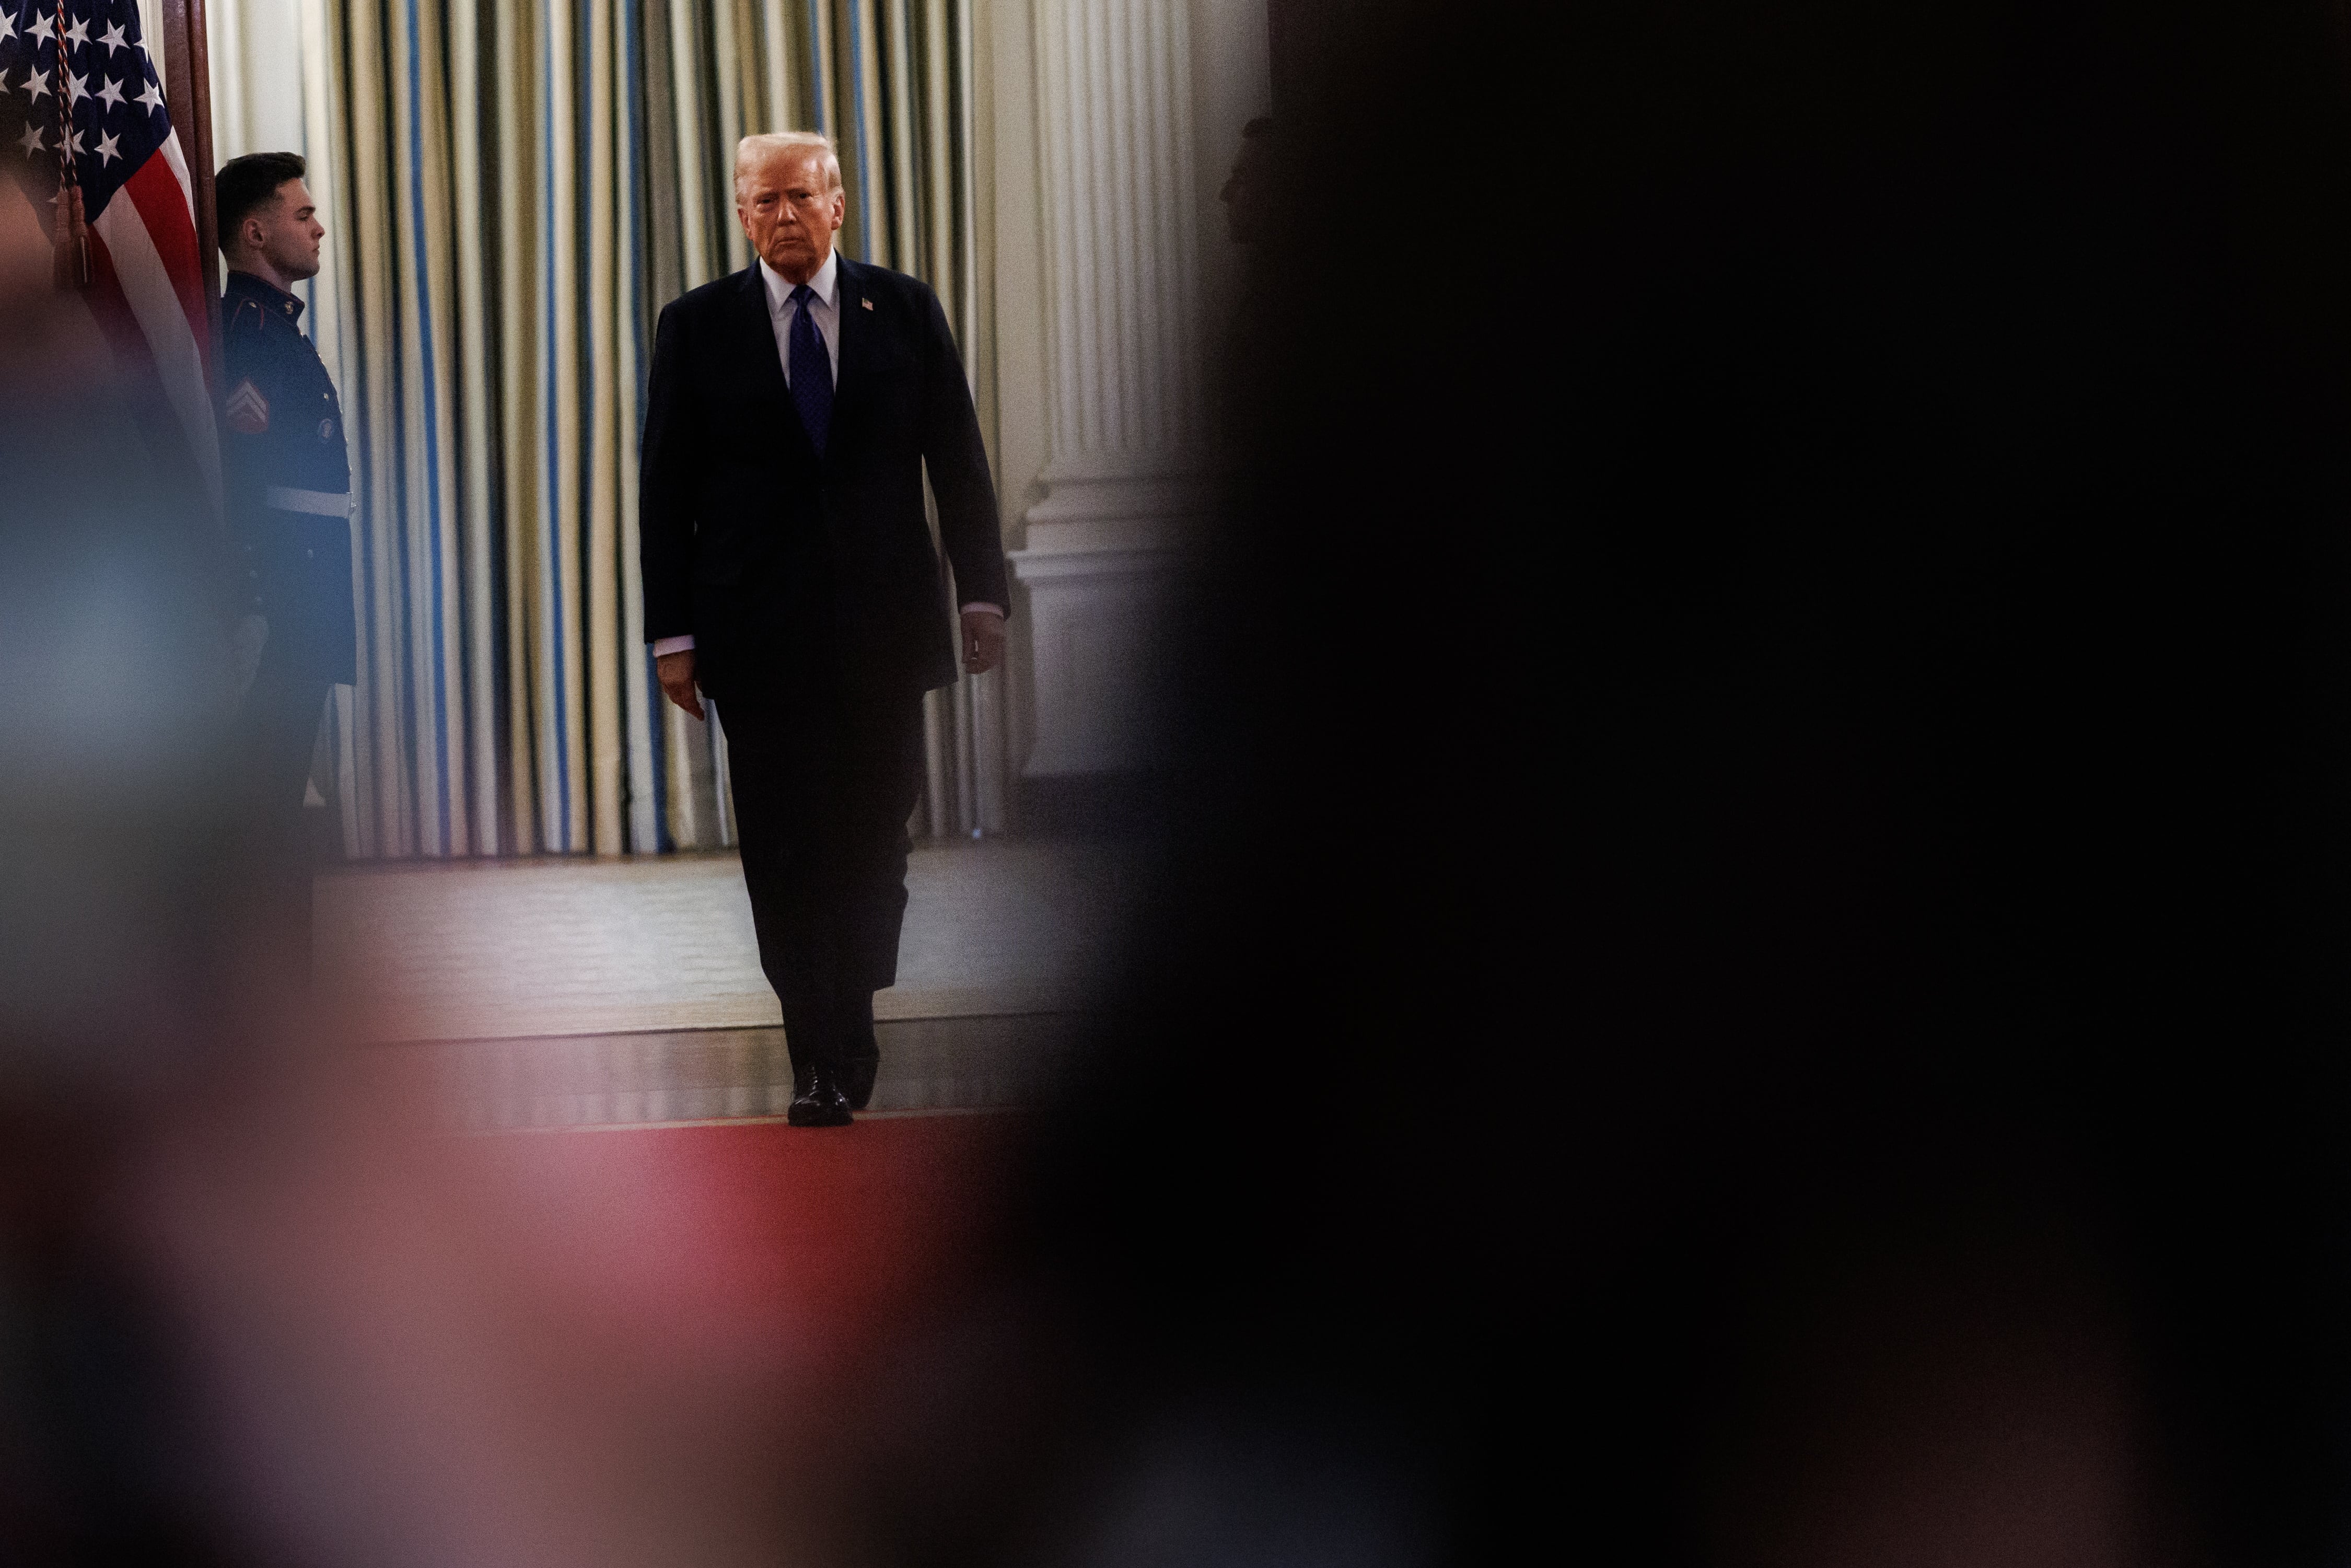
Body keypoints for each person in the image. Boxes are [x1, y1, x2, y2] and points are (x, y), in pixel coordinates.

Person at [639, 131, 1009, 1128]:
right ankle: (818, 1051)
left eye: (799, 197)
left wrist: (984, 592)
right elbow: (664, 491)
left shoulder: (906, 310)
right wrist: (671, 634)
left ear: (839, 205)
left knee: (873, 838)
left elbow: (959, 460)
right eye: (761, 202)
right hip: (756, 639)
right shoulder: (698, 326)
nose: (782, 217)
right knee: (784, 848)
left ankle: (851, 1010)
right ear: (740, 213)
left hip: (884, 630)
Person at [215, 152, 353, 977]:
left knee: (278, 802)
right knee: (265, 812)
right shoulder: (250, 337)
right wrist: (271, 610)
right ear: (257, 231)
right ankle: (273, 1003)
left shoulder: (277, 329)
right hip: (281, 605)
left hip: (305, 600)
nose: (317, 225)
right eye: (303, 214)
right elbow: (254, 487)